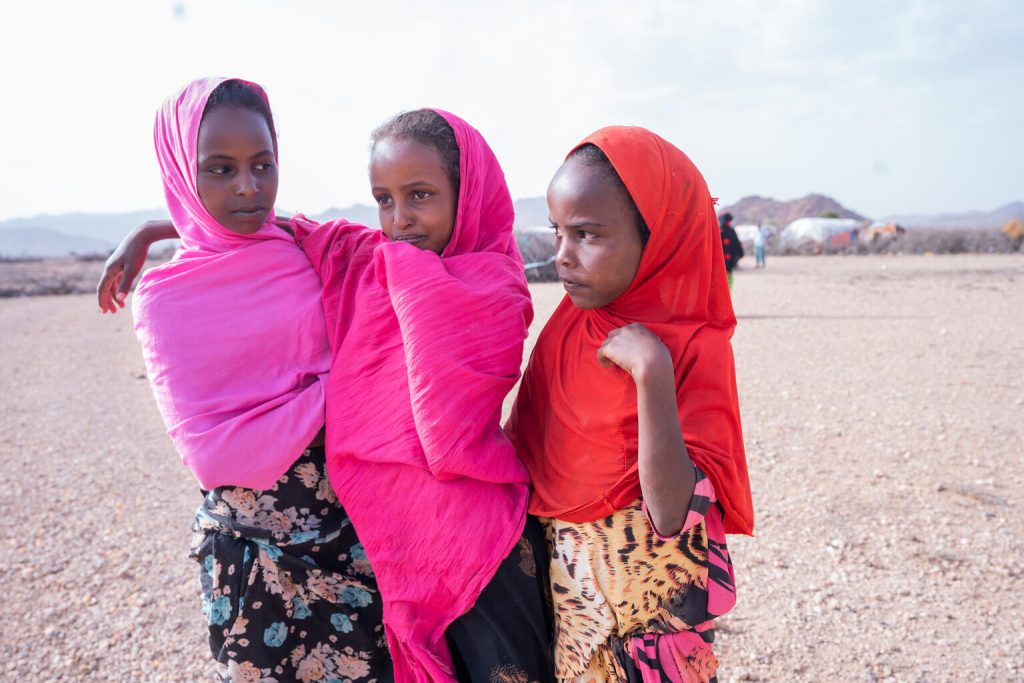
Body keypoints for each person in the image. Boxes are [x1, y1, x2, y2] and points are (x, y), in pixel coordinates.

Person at [99, 105, 554, 683]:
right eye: (384, 200)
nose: (400, 219)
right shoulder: (376, 262)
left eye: (420, 195)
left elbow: (448, 423)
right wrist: (165, 225)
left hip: (472, 536)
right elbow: (294, 227)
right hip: (374, 546)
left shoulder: (490, 285)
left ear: (466, 195)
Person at [99, 77, 391, 682]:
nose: (249, 187)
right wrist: (338, 388)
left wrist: (157, 226)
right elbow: (211, 453)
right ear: (184, 171)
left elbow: (412, 252)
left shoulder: (304, 250)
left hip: (361, 539)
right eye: (219, 169)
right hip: (255, 565)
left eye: (263, 164)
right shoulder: (163, 299)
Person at [506, 127, 755, 683]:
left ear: (658, 237)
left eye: (588, 235)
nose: (562, 257)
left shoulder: (694, 346)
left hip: (658, 635)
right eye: (559, 232)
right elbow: (523, 458)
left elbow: (671, 513)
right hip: (573, 612)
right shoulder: (569, 330)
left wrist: (652, 374)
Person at [717, 212, 743, 288]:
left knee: (727, 283)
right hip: (720, 265)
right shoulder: (720, 232)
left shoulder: (730, 231)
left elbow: (737, 246)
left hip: (727, 265)